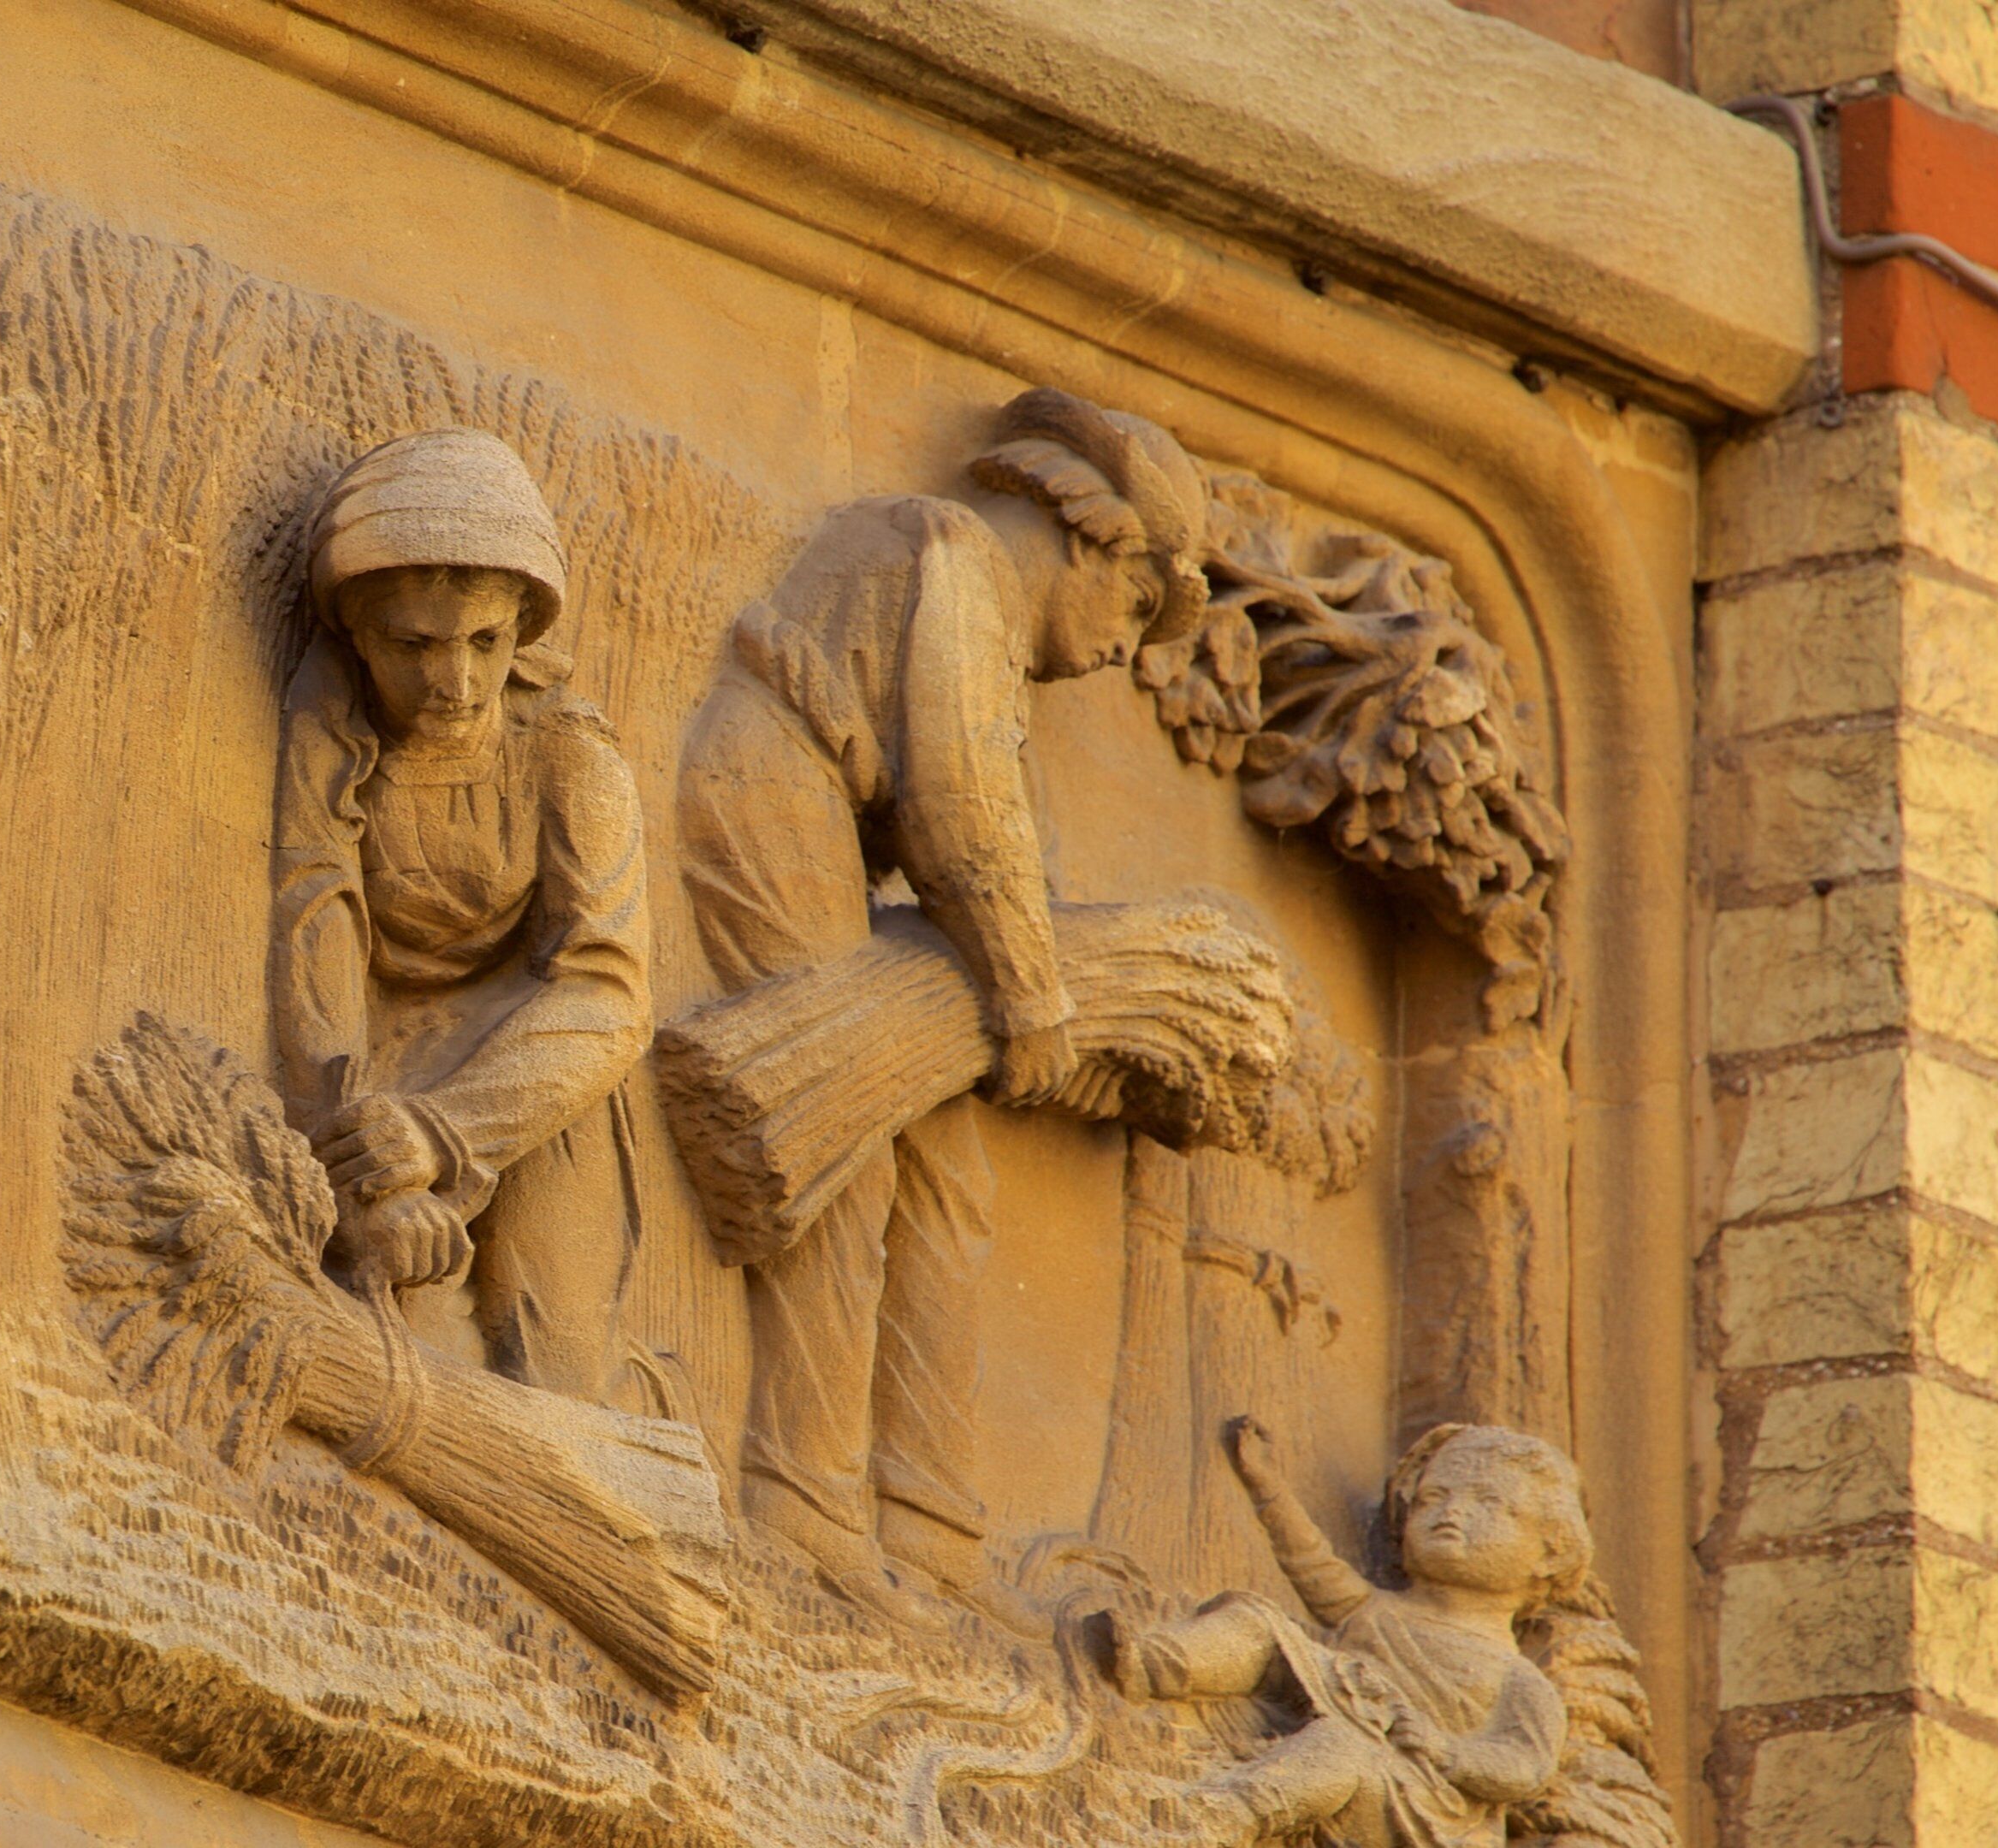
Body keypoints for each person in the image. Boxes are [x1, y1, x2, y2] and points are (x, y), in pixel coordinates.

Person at [672, 388, 1210, 1624]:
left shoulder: (965, 592)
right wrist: (1029, 1001)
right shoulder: (951, 558)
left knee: (949, 1173)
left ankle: (927, 1528)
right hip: (772, 797)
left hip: (823, 830)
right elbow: (961, 814)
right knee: (851, 1159)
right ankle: (804, 1504)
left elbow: (997, 829)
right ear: (1095, 535)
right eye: (1137, 606)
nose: (1126, 647)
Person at [269, 429, 652, 1401]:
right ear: (359, 635)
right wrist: (351, 1158)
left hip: (534, 1070)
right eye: (414, 644)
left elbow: (607, 992)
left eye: (485, 642)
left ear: (522, 631)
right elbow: (316, 918)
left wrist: (444, 1133)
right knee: (399, 1337)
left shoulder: (571, 759)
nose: (454, 682)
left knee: (560, 1355)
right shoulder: (330, 718)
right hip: (377, 1067)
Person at [1108, 1419, 1639, 1848]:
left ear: (1553, 1550)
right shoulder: (1376, 1612)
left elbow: (1524, 1764)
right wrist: (1267, 1488)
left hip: (1422, 1808)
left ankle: (1228, 1814)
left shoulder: (1518, 1679)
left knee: (1342, 1749)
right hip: (1343, 1715)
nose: (1451, 1512)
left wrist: (1449, 1753)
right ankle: (1150, 1663)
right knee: (1256, 1619)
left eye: (1490, 1504)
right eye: (1432, 1499)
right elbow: (1312, 1566)